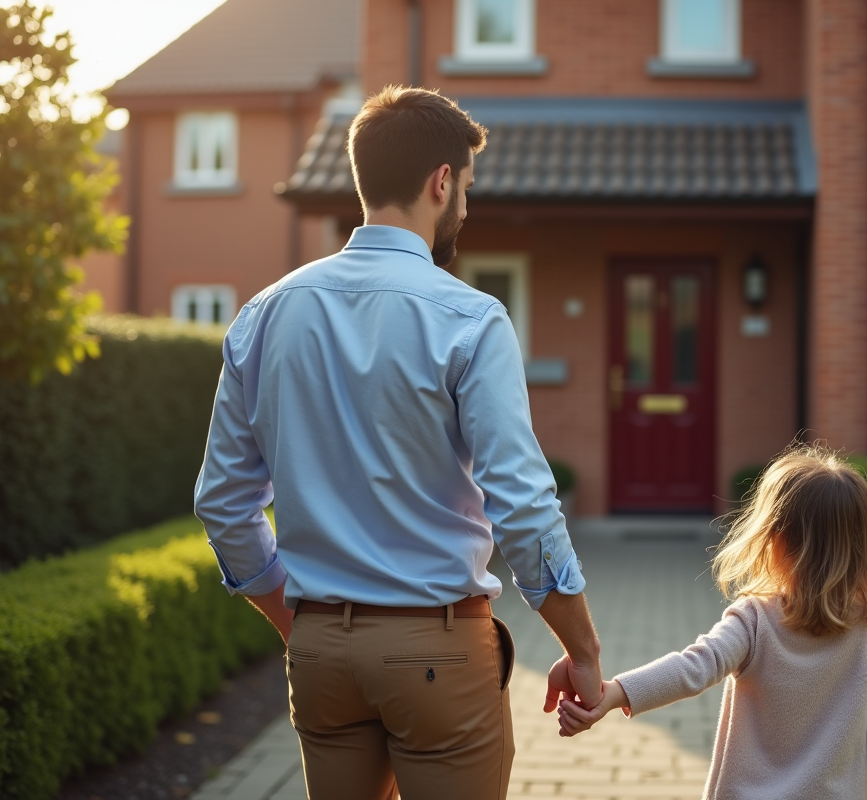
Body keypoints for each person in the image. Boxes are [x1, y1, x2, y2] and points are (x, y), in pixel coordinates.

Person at [193, 86, 603, 800]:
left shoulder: (263, 315)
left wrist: (293, 616)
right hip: (437, 653)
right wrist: (583, 649)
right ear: (441, 182)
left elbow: (223, 504)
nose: (467, 209)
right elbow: (524, 507)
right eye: (467, 189)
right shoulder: (470, 319)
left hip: (321, 654)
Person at [555, 443, 867, 800]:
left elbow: (693, 667)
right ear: (865, 546)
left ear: (774, 541)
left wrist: (611, 694)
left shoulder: (755, 619)